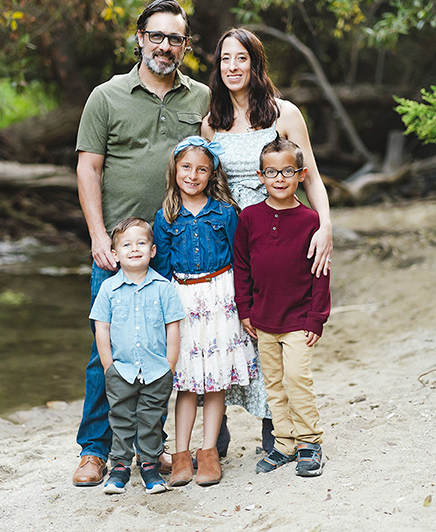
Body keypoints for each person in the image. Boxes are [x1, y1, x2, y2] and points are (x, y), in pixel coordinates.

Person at [73, 0, 210, 486]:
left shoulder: (200, 98)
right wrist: (96, 237)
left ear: (186, 45)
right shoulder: (106, 97)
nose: (165, 46)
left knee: (187, 341)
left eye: (175, 38)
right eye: (157, 35)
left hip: (183, 242)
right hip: (120, 248)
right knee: (107, 349)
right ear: (139, 39)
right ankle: (95, 449)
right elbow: (88, 167)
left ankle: (191, 446)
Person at [201, 27, 332, 452]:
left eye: (241, 59)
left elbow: (310, 175)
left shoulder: (285, 114)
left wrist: (325, 228)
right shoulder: (211, 122)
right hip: (228, 237)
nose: (232, 67)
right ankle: (215, 429)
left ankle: (275, 428)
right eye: (225, 60)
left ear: (255, 65)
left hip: (279, 236)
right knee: (227, 328)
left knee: (272, 326)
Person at [153, 136, 257, 487]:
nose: (193, 175)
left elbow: (240, 260)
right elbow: (162, 272)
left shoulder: (225, 213)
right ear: (175, 170)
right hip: (184, 302)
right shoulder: (166, 216)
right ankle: (181, 454)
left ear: (212, 174)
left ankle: (208, 452)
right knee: (185, 382)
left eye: (201, 169)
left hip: (220, 298)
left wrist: (246, 304)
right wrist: (162, 315)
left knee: (215, 381)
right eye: (186, 167)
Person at [233, 138, 331, 477]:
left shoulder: (310, 221)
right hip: (262, 319)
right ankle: (285, 443)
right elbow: (242, 266)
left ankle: (309, 442)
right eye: (271, 172)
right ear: (261, 176)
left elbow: (321, 273)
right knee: (273, 383)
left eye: (287, 171)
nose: (279, 178)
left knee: (296, 379)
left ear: (301, 175)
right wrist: (245, 309)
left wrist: (317, 318)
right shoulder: (249, 218)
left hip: (299, 320)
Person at [91, 217, 184, 494]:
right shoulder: (108, 289)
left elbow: (173, 328)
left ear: (152, 251)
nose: (134, 249)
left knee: (151, 418)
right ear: (115, 253)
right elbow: (101, 329)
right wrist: (109, 366)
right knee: (120, 418)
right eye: (127, 245)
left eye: (141, 243)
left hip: (156, 370)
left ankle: (150, 467)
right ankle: (119, 467)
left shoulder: (164, 288)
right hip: (121, 370)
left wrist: (169, 365)